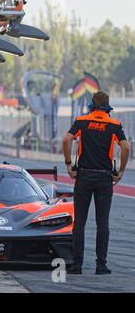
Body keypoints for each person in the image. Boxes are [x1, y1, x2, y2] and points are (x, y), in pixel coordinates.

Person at [62, 91, 130, 275]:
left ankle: (77, 265)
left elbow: (66, 139)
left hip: (83, 176)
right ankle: (101, 265)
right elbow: (126, 147)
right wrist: (121, 170)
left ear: (91, 106)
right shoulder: (114, 125)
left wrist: (69, 165)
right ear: (108, 108)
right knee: (103, 222)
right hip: (104, 178)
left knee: (80, 222)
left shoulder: (82, 121)